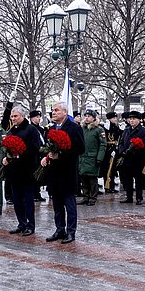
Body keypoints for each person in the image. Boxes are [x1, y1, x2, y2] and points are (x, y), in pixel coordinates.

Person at [42, 102, 85, 243]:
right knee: (57, 204)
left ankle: (71, 232)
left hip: (67, 171)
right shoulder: (52, 128)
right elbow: (49, 147)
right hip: (54, 172)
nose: (53, 113)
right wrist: (47, 156)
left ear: (65, 112)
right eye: (52, 111)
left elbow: (80, 149)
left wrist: (61, 155)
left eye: (56, 110)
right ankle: (59, 229)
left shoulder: (74, 128)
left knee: (69, 203)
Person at [4, 105, 42, 236]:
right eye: (12, 117)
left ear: (23, 116)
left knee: (28, 199)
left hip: (27, 169)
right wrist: (7, 156)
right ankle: (21, 223)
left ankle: (30, 225)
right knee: (16, 199)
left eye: (16, 116)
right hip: (14, 170)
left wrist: (20, 152)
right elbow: (6, 147)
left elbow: (36, 148)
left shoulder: (31, 129)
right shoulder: (12, 130)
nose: (13, 119)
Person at [117, 110, 145, 205]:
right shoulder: (126, 130)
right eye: (130, 119)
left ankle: (139, 197)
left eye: (134, 119)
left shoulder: (143, 131)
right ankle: (129, 196)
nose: (131, 120)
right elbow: (121, 142)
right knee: (128, 179)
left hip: (137, 158)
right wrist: (122, 151)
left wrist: (134, 150)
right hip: (126, 158)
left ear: (139, 120)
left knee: (138, 179)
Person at [77, 109, 105, 207]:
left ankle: (92, 198)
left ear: (93, 118)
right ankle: (85, 196)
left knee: (92, 179)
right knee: (84, 178)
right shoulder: (82, 128)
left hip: (93, 158)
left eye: (89, 116)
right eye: (85, 116)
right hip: (83, 157)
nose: (87, 118)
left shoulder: (99, 129)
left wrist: (99, 158)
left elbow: (103, 145)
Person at [101, 111, 122, 193]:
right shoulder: (105, 127)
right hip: (107, 149)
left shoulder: (116, 127)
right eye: (113, 118)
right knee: (106, 168)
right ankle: (107, 185)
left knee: (113, 169)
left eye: (116, 118)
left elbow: (119, 137)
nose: (115, 119)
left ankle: (112, 185)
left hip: (114, 149)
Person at [29, 110, 47, 202]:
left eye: (39, 117)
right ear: (31, 118)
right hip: (34, 155)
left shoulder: (41, 129)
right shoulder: (30, 128)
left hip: (41, 154)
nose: (39, 118)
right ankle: (34, 193)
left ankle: (37, 193)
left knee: (39, 175)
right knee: (34, 175)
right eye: (36, 117)